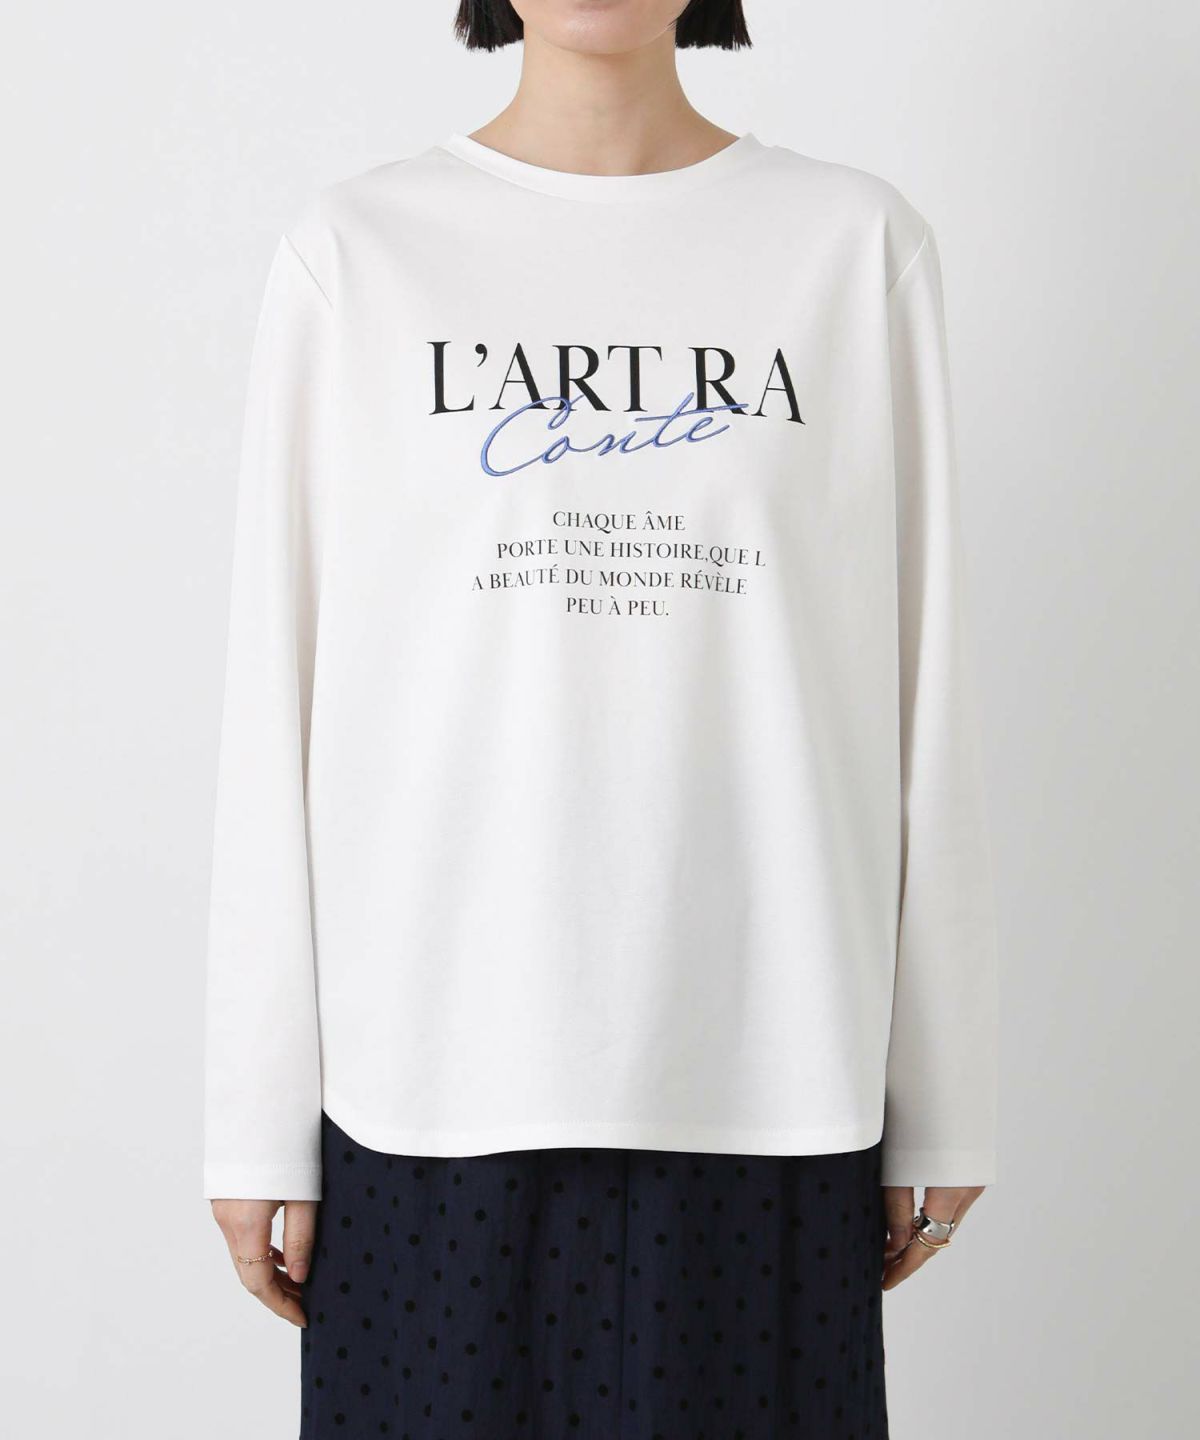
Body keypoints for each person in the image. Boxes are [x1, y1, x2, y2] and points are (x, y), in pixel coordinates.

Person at [204, 2, 999, 1434]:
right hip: (429, 1083)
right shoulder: (358, 252)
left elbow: (924, 682)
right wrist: (255, 1110)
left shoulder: (852, 247)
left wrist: (944, 1088)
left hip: (769, 1066)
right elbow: (281, 684)